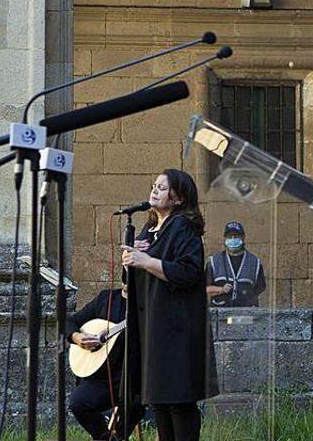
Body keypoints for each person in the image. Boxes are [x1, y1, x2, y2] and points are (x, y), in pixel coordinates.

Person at [120, 169, 212, 441]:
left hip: (176, 330)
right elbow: (136, 278)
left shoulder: (182, 226)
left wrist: (145, 261)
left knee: (177, 401)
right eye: (154, 185)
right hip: (153, 328)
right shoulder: (151, 229)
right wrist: (132, 260)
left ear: (179, 198)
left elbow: (189, 271)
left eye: (163, 187)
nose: (155, 190)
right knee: (158, 401)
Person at [67, 285, 143, 440]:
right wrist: (76, 337)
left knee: (136, 403)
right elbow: (69, 322)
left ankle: (118, 437)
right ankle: (106, 438)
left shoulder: (148, 304)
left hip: (134, 378)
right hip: (102, 378)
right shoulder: (106, 299)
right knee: (78, 402)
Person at [205, 221, 266, 307]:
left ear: (243, 238)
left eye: (236, 236)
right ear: (225, 239)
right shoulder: (214, 262)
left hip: (246, 314)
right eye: (230, 236)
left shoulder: (255, 262)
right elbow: (205, 288)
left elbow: (260, 288)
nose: (233, 239)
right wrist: (221, 290)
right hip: (220, 312)